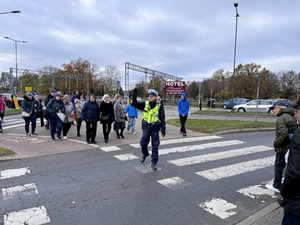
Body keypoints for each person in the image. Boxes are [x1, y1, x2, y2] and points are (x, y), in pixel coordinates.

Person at [265, 101, 297, 193]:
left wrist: (276, 143)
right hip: (291, 146)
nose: (273, 111)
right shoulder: (292, 116)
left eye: (274, 108)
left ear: (279, 108)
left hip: (283, 147)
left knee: (279, 165)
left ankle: (276, 186)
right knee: (289, 167)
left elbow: (283, 134)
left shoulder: (281, 119)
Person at [131, 88, 166, 171]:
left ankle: (154, 162)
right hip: (146, 127)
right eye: (149, 96)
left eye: (152, 96)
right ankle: (145, 153)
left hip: (155, 128)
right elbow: (134, 104)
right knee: (143, 143)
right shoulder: (145, 104)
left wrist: (163, 128)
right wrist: (135, 95)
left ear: (156, 97)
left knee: (155, 145)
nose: (150, 97)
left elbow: (162, 117)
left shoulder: (159, 106)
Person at [280, 98, 300, 224]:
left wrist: (284, 191)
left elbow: (295, 172)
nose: (295, 113)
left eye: (297, 110)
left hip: (297, 203)